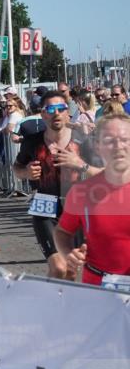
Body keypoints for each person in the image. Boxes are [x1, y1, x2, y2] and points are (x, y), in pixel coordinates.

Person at [13, 91, 103, 279]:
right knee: (59, 267)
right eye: (50, 109)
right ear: (43, 113)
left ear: (67, 113)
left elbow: (103, 174)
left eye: (61, 108)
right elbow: (17, 167)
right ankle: (54, 303)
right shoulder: (33, 141)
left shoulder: (83, 140)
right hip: (44, 207)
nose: (56, 113)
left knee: (70, 270)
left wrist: (80, 164)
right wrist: (26, 173)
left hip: (76, 209)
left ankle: (60, 305)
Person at [54, 113, 130, 289]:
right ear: (98, 146)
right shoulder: (82, 192)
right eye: (110, 140)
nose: (118, 146)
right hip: (97, 289)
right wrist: (68, 255)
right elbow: (62, 232)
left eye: (125, 139)